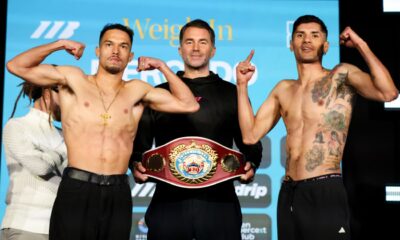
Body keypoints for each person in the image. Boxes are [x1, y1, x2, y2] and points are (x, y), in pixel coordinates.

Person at [6, 23, 200, 240]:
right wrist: (59, 44)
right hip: (77, 188)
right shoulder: (73, 80)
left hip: (117, 192)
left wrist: (163, 67)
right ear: (98, 51)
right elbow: (16, 66)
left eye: (123, 46)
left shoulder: (137, 90)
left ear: (130, 56)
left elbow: (189, 105)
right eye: (109, 44)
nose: (115, 51)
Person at [236, 15, 398, 240]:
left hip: (325, 190)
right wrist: (242, 86)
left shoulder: (340, 76)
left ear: (326, 45)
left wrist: (361, 45)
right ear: (291, 45)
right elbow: (250, 135)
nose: (307, 40)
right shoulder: (283, 88)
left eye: (315, 35)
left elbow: (388, 92)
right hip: (289, 192)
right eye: (300, 35)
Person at [132, 19, 262, 240]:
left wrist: (252, 163)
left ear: (213, 50)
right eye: (189, 42)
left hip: (219, 201)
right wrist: (134, 163)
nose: (195, 48)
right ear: (180, 49)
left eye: (203, 42)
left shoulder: (232, 92)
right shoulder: (159, 93)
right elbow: (140, 144)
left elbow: (249, 140)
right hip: (168, 201)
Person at [1, 82, 67, 240]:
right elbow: (39, 167)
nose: (69, 102)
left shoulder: (65, 135)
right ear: (47, 93)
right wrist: (68, 146)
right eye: (65, 95)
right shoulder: (16, 126)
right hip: (26, 227)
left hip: (60, 228)